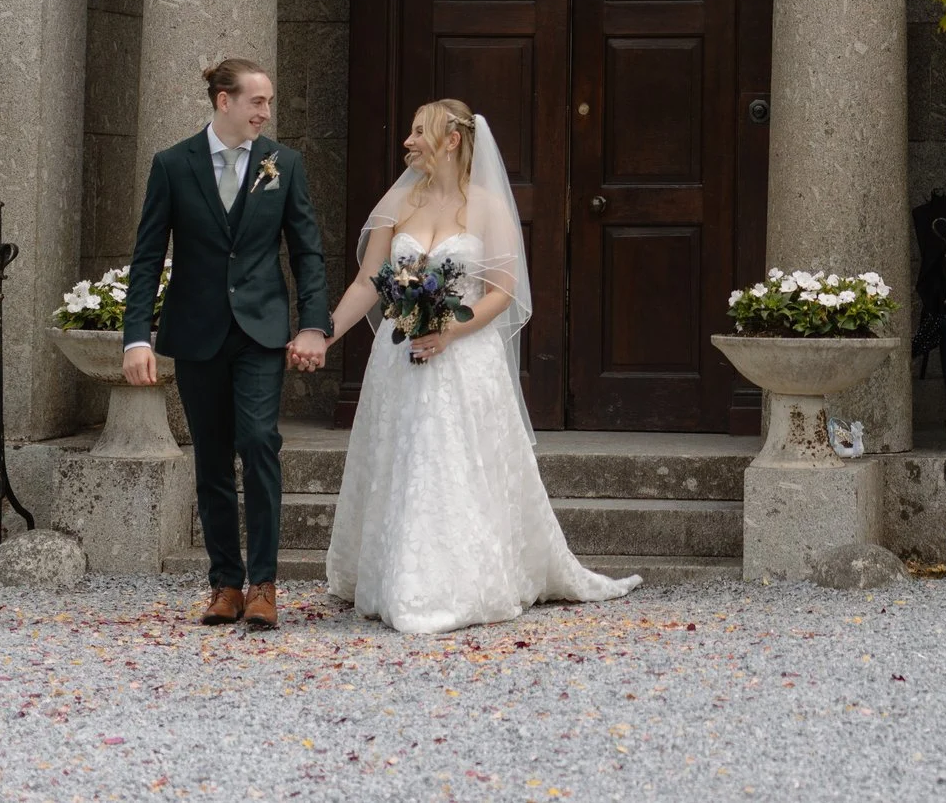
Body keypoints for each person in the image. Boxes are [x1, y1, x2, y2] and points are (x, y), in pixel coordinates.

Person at [324, 97, 641, 633]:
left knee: (453, 461)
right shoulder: (396, 204)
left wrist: (449, 331)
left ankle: (453, 581)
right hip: (399, 358)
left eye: (419, 132)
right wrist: (323, 336)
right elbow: (367, 284)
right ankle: (390, 573)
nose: (408, 142)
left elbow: (502, 293)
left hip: (464, 358)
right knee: (399, 459)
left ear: (452, 140)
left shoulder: (489, 206)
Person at [121, 58, 332, 630]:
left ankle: (264, 585)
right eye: (257, 102)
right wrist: (136, 336)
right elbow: (146, 258)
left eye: (268, 102)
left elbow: (308, 252)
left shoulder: (284, 165)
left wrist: (314, 325)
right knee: (211, 458)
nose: (266, 112)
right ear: (223, 101)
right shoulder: (172, 165)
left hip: (261, 331)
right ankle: (224, 585)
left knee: (259, 441)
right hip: (196, 333)